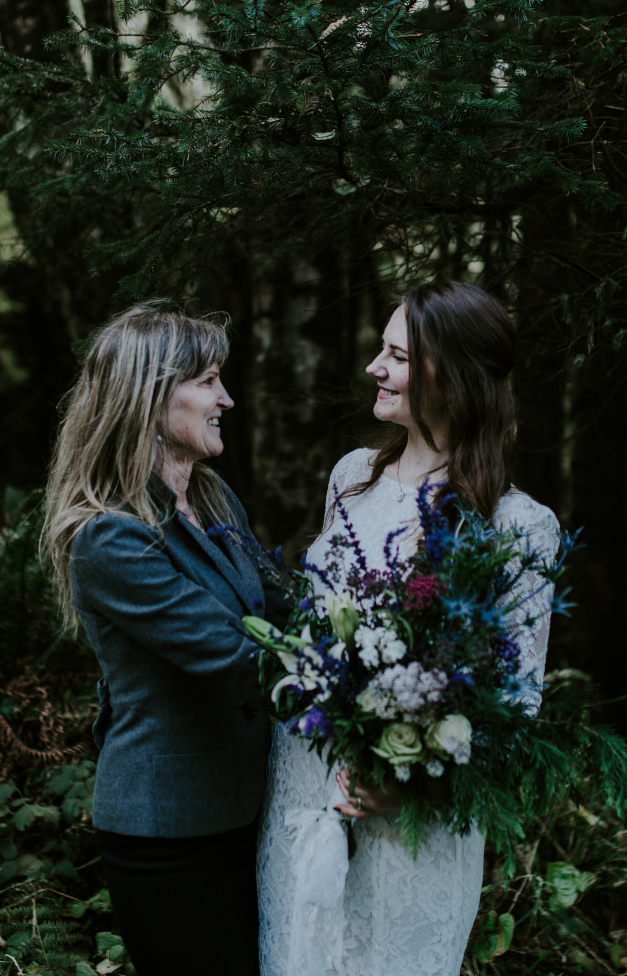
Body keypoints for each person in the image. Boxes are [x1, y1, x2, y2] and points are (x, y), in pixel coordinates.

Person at [256, 281, 562, 976]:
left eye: (395, 354)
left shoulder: (517, 527)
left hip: (412, 826)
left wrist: (411, 778)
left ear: (449, 379)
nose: (373, 366)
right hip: (306, 792)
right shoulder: (351, 477)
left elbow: (517, 705)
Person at [41, 301, 275, 976]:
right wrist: (360, 704)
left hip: (245, 809)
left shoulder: (214, 500)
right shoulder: (109, 537)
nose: (226, 398)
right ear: (148, 396)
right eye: (207, 381)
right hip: (169, 833)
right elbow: (231, 656)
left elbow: (279, 608)